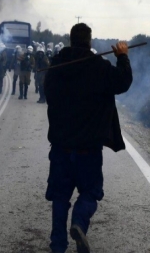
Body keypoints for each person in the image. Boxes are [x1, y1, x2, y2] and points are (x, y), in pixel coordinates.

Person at [44, 23, 132, 253]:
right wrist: (122, 57)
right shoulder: (99, 68)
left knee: (60, 198)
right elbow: (123, 82)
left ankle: (58, 245)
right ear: (89, 41)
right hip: (88, 151)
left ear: (71, 40)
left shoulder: (57, 66)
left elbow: (48, 95)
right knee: (91, 192)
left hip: (61, 148)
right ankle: (79, 222)